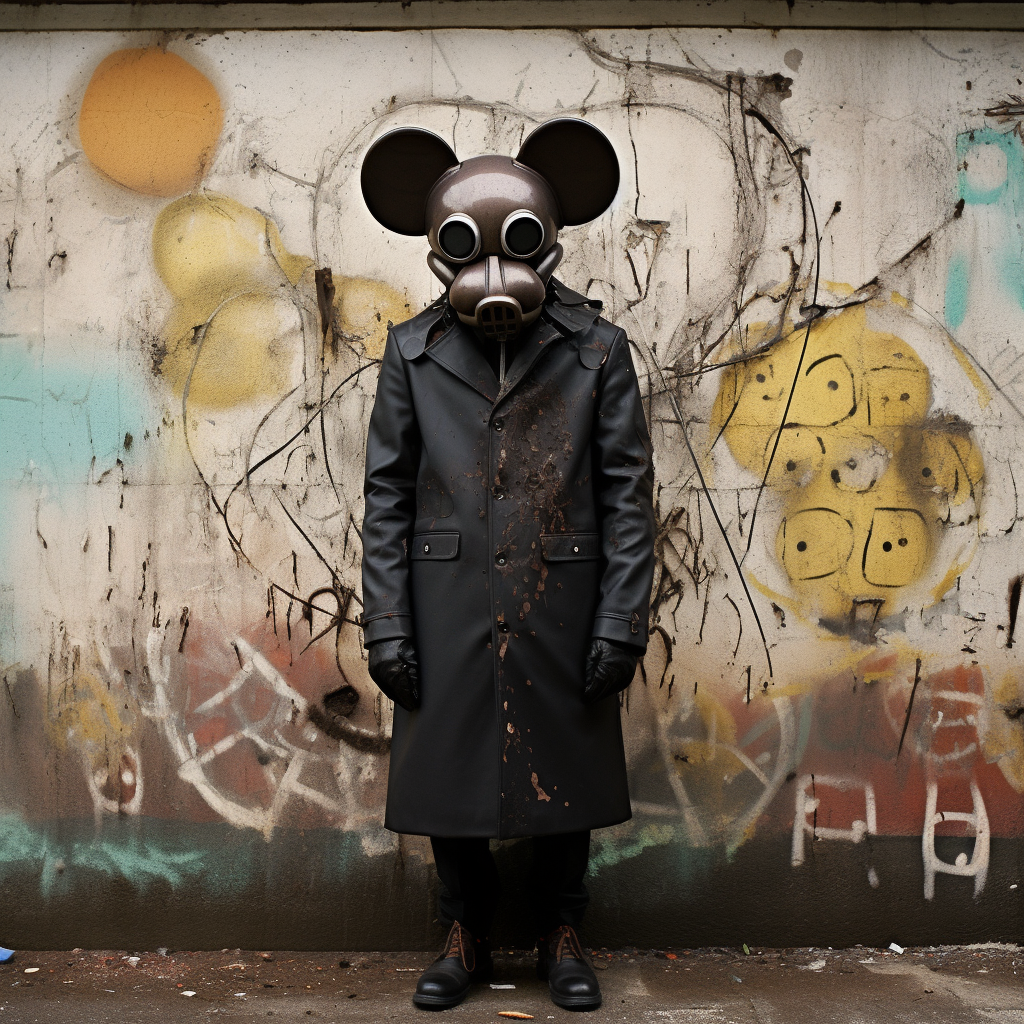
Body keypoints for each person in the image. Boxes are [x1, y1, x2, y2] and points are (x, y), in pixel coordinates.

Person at [358, 118, 656, 1011]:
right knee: (448, 772)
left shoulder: (596, 350)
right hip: (445, 599)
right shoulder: (412, 352)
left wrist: (619, 619)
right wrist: (386, 621)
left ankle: (565, 930)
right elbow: (387, 495)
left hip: (560, 597)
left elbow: (627, 496)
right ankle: (464, 932)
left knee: (565, 767)